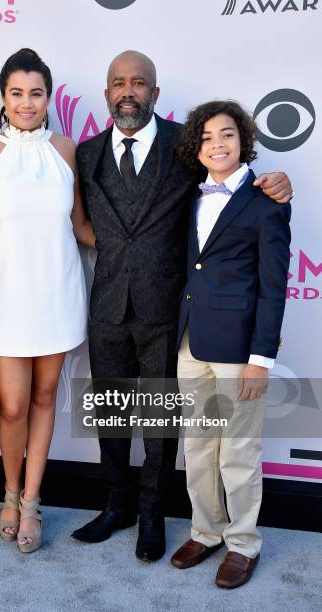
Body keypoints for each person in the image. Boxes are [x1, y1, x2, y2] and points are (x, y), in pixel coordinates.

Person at [70, 50, 293, 562]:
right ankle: (116, 505)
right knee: (112, 415)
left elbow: (231, 185)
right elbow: (82, 222)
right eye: (119, 83)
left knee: (161, 425)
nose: (129, 90)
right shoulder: (86, 153)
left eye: (140, 82)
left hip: (168, 309)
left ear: (155, 92)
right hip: (106, 303)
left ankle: (153, 514)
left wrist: (278, 182)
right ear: (106, 93)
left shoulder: (184, 146)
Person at [0, 49, 94, 553]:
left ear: (48, 98)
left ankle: (31, 501)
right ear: (3, 97)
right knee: (13, 405)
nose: (27, 103)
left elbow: (81, 225)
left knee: (45, 398)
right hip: (7, 296)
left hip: (58, 291)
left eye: (36, 93)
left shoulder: (67, 149)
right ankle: (9, 492)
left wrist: (145, 246)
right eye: (17, 93)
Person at [170, 101, 291, 588]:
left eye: (226, 136)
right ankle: (207, 530)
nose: (216, 145)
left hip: (240, 349)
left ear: (243, 141)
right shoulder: (190, 197)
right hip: (190, 341)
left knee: (238, 450)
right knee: (198, 447)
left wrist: (261, 359)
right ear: (195, 148)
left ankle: (244, 542)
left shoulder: (267, 203)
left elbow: (273, 286)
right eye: (205, 138)